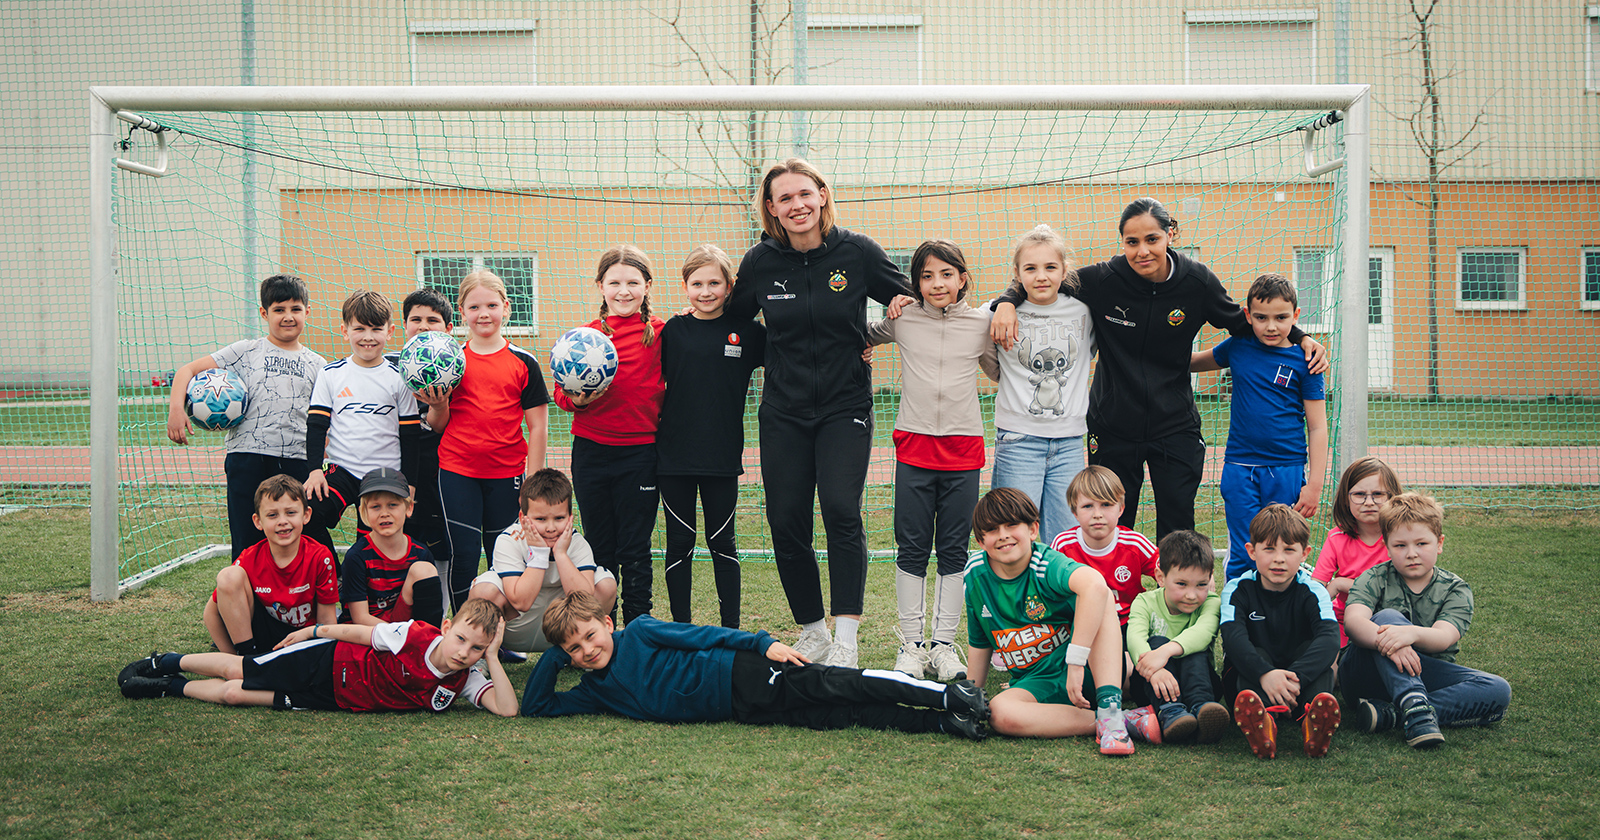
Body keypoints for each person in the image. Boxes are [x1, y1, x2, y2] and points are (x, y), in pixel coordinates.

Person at [989, 199, 1327, 541]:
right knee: (1111, 528)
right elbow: (1042, 278)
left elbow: (1245, 324)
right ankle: (1113, 594)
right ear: (1122, 242)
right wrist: (1005, 302)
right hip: (1114, 427)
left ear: (1170, 235)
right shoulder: (1102, 279)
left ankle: (1178, 593)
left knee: (1177, 526)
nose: (1142, 251)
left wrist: (1300, 336)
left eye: (1152, 239)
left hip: (1174, 426)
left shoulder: (1197, 281)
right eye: (1132, 242)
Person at [724, 158, 915, 667]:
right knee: (786, 520)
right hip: (782, 411)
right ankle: (813, 632)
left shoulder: (857, 252)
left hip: (844, 406)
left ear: (823, 195)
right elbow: (736, 326)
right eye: (784, 198)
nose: (797, 205)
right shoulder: (760, 261)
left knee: (840, 509)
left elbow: (911, 298)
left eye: (805, 194)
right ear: (771, 209)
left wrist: (877, 328)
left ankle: (846, 639)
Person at [519, 591, 987, 740]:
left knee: (838, 685)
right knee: (841, 716)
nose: (587, 650)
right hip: (741, 709)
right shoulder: (593, 689)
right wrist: (556, 652)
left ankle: (949, 695)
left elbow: (703, 635)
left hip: (740, 670)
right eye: (575, 649)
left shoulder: (638, 632)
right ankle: (946, 725)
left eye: (589, 635)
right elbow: (536, 706)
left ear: (607, 622)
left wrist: (763, 643)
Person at [867, 239, 996, 681]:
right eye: (926, 275)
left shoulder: (982, 323)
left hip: (964, 449)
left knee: (955, 550)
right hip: (915, 448)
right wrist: (870, 335)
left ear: (963, 278)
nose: (936, 283)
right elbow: (859, 336)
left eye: (946, 274)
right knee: (913, 547)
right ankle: (911, 645)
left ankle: (943, 645)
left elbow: (999, 369)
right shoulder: (902, 320)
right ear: (915, 282)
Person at [963, 487, 1159, 755]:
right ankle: (1117, 720)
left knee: (1098, 594)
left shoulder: (1044, 562)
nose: (1004, 535)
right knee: (999, 713)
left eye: (1012, 525)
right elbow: (979, 640)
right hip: (1038, 681)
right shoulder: (975, 575)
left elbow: (1094, 584)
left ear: (1033, 530)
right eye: (993, 529)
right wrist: (968, 697)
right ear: (979, 539)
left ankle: (1111, 709)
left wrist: (1076, 662)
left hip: (1091, 669)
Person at [117, 598, 516, 716]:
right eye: (461, 639)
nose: (465, 653)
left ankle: (171, 689)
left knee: (235, 694)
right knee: (239, 667)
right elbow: (360, 633)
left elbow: (507, 709)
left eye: (477, 648)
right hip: (328, 660)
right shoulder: (412, 635)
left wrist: (493, 658)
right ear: (447, 627)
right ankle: (165, 662)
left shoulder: (467, 679)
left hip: (333, 699)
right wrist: (311, 632)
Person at [165, 274, 326, 560]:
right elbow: (186, 371)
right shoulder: (245, 351)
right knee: (248, 536)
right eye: (279, 309)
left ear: (307, 312)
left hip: (296, 459)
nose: (288, 316)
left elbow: (323, 417)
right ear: (264, 313)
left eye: (295, 309)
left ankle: (308, 597)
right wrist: (177, 409)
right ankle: (247, 598)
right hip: (246, 457)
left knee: (306, 535)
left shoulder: (318, 364)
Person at [551, 245, 666, 625]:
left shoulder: (662, 333)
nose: (624, 291)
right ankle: (603, 625)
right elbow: (560, 393)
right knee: (599, 545)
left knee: (635, 547)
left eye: (633, 282)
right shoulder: (583, 338)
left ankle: (638, 626)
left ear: (647, 286)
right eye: (614, 282)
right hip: (592, 452)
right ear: (600, 286)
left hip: (641, 454)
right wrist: (579, 400)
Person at [1341, 493, 1511, 748]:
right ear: (1386, 546)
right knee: (1387, 616)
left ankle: (1396, 714)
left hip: (1425, 670)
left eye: (1422, 543)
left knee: (1497, 689)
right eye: (1400, 545)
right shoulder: (1374, 577)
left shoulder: (1455, 589)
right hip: (1365, 674)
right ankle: (1414, 706)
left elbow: (1444, 637)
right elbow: (1353, 623)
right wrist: (1390, 639)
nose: (1412, 554)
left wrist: (1412, 635)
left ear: (1439, 543)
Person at [424, 269, 550, 610]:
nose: (483, 314)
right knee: (463, 556)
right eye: (474, 307)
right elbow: (438, 425)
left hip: (507, 475)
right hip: (457, 472)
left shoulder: (524, 362)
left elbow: (538, 426)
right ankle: (464, 637)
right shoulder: (450, 361)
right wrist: (438, 404)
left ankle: (499, 638)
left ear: (506, 308)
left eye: (491, 305)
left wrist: (533, 482)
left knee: (504, 558)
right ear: (461, 311)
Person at [1190, 273, 1328, 579]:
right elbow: (1194, 361)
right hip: (1239, 468)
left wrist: (1314, 485)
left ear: (1296, 316)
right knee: (1244, 549)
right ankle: (1237, 617)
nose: (1271, 326)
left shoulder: (1307, 360)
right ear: (1248, 316)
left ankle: (1278, 617)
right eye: (1261, 317)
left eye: (1281, 317)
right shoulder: (1238, 346)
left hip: (1287, 469)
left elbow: (1318, 427)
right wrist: (1147, 350)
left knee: (1281, 548)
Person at [656, 244, 765, 628]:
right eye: (697, 283)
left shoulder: (748, 333)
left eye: (714, 283)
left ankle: (730, 630)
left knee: (723, 543)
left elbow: (795, 353)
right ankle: (681, 629)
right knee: (680, 544)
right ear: (685, 287)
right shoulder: (673, 330)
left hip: (721, 458)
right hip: (673, 458)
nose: (706, 291)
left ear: (729, 285)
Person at [982, 224, 1095, 541]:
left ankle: (1055, 593)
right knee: (1012, 532)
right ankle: (1016, 593)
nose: (1041, 276)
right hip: (1018, 442)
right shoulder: (996, 313)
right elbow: (962, 325)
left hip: (1070, 443)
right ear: (1016, 273)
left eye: (1050, 267)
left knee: (1065, 538)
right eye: (1030, 268)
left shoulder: (1086, 312)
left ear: (1064, 270)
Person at [302, 289, 422, 561]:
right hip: (342, 470)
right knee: (308, 514)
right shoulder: (331, 374)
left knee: (372, 545)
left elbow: (410, 434)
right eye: (359, 329)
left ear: (390, 332)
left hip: (383, 473)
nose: (368, 337)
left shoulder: (399, 377)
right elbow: (317, 425)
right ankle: (335, 573)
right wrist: (313, 471)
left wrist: (410, 484)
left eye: (376, 329)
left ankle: (360, 593)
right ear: (344, 331)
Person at [1218, 504, 1341, 759]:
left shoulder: (1313, 590)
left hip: (1299, 682)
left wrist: (1294, 678)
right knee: (1253, 651)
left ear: (1305, 553)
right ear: (1252, 551)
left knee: (1314, 651)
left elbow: (1329, 639)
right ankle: (1265, 723)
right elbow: (1233, 639)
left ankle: (1311, 723)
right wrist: (1265, 674)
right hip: (1253, 680)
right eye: (1269, 549)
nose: (1279, 559)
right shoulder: (1237, 589)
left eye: (1289, 550)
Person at [469, 467, 619, 655]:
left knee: (605, 584)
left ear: (570, 518)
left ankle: (578, 651)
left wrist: (561, 555)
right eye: (540, 519)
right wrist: (539, 554)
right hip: (512, 630)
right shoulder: (509, 540)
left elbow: (585, 602)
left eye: (559, 518)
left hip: (563, 628)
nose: (550, 528)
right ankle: (482, 653)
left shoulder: (577, 543)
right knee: (485, 590)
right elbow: (521, 602)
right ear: (523, 518)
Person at [202, 474, 338, 656]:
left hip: (303, 641)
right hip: (262, 639)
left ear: (306, 516)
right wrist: (229, 656)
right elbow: (211, 613)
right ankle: (245, 659)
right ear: (258, 521)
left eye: (290, 513)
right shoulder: (249, 558)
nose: (282, 521)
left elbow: (327, 620)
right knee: (228, 575)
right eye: (272, 515)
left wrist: (322, 657)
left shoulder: (320, 556)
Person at [1125, 530, 1230, 744]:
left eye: (1201, 584)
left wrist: (1164, 653)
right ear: (1161, 577)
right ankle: (1170, 712)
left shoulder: (1211, 602)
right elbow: (1134, 638)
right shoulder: (1144, 601)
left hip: (1203, 684)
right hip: (1150, 684)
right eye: (1181, 584)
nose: (1192, 595)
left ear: (1210, 578)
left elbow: (1202, 633)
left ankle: (1203, 711)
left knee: (1193, 649)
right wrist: (1154, 670)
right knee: (1156, 641)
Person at [388, 288, 456, 558]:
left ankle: (439, 595)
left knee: (438, 536)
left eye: (432, 320)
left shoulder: (456, 364)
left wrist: (439, 405)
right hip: (395, 459)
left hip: (436, 464)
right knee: (397, 533)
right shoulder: (388, 363)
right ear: (404, 326)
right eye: (416, 320)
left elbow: (439, 426)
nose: (423, 326)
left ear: (448, 328)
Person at [1050, 466, 1160, 632]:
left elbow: (1169, 570)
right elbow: (1046, 586)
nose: (1097, 514)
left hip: (1128, 623)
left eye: (1106, 505)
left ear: (1121, 509)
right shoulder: (1063, 545)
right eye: (1088, 506)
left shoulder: (1134, 543)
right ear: (1074, 512)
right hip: (1080, 624)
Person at [1312, 456, 1404, 646]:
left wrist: (1341, 584)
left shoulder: (1400, 537)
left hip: (1392, 619)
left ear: (1392, 497)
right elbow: (1317, 588)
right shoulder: (1336, 538)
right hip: (1343, 620)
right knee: (1329, 665)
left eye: (1378, 494)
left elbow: (1401, 588)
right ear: (1346, 499)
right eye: (1359, 494)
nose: (1369, 502)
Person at [339, 467, 443, 629]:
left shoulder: (421, 554)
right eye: (376, 507)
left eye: (392, 505)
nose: (384, 513)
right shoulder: (357, 557)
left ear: (409, 508)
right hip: (367, 636)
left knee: (424, 570)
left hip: (405, 633)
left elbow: (426, 614)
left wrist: (417, 636)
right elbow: (360, 618)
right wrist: (400, 636)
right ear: (362, 512)